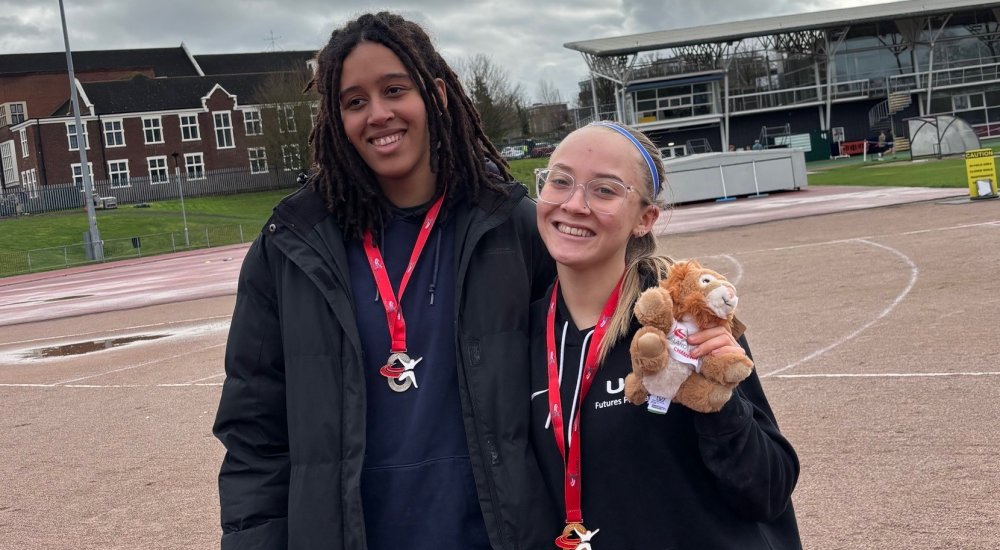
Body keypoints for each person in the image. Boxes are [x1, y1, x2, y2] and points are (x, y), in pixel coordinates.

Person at [213, 12, 557, 550]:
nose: (378, 114)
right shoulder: (289, 247)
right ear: (336, 118)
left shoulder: (512, 229)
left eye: (394, 89)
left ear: (437, 95)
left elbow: (585, 377)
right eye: (354, 101)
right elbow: (254, 434)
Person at [529, 121, 802, 549]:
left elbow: (768, 491)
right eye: (560, 182)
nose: (574, 204)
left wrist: (720, 404)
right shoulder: (515, 335)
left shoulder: (686, 319)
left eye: (604, 190)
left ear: (645, 218)